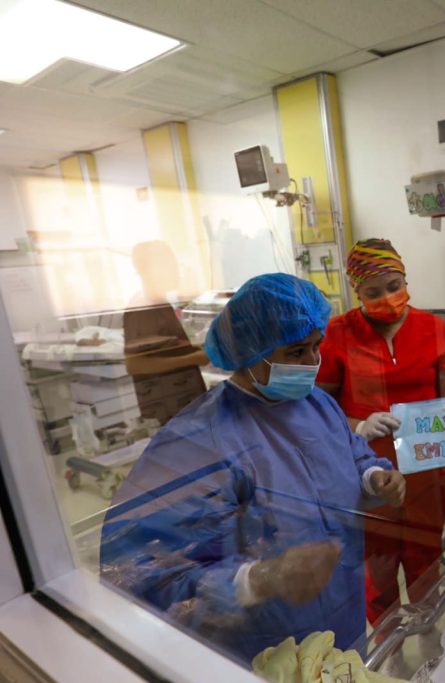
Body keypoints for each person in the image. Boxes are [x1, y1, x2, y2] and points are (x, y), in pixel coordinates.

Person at [100, 273, 406, 663]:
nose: (313, 362)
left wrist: (373, 478)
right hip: (262, 646)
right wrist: (259, 579)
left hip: (342, 620)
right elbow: (135, 565)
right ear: (251, 351)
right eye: (297, 352)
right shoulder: (200, 439)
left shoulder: (318, 406)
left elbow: (351, 454)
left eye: (316, 346)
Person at [316, 238, 445, 624]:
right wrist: (357, 426)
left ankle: (429, 633)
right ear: (357, 292)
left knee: (426, 561)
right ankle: (386, 642)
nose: (387, 298)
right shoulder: (337, 334)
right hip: (369, 473)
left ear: (405, 279)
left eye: (394, 286)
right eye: (373, 292)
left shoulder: (433, 328)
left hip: (426, 470)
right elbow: (318, 408)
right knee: (377, 568)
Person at [123, 240, 208, 425]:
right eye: (168, 265)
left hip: (184, 403)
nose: (175, 271)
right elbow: (135, 364)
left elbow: (164, 346)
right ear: (147, 270)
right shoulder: (142, 307)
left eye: (174, 264)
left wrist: (195, 348)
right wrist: (193, 358)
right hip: (166, 409)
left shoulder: (161, 303)